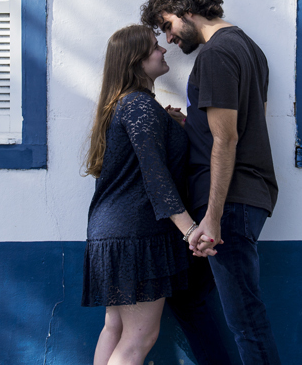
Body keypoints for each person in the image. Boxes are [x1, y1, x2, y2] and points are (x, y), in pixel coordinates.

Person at [141, 0, 282, 365]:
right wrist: (192, 128)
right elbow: (248, 123)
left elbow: (228, 139)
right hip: (243, 197)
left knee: (246, 321)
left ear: (187, 10)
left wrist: (213, 218)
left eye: (167, 25)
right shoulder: (250, 49)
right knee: (188, 297)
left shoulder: (216, 55)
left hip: (228, 204)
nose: (168, 38)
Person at [81, 24, 214, 365]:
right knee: (139, 339)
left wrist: (170, 125)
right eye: (156, 46)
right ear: (136, 60)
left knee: (114, 329)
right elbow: (156, 178)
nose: (163, 50)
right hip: (137, 235)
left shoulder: (126, 105)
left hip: (113, 232)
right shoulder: (140, 107)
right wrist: (190, 230)